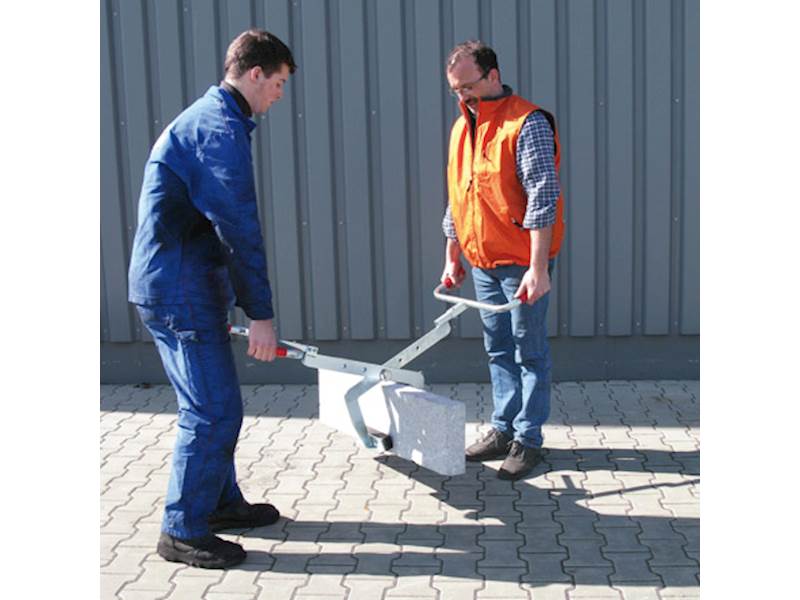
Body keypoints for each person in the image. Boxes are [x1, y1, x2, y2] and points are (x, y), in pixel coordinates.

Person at [127, 29, 296, 568]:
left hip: (181, 284)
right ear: (255, 74)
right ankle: (182, 530)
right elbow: (238, 227)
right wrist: (261, 314)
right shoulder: (217, 129)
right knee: (213, 410)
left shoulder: (213, 119)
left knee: (211, 404)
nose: (280, 95)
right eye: (278, 82)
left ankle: (219, 503)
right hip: (179, 293)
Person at [440, 41, 565, 481]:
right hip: (483, 262)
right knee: (497, 348)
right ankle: (502, 428)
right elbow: (459, 196)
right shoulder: (463, 127)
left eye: (468, 87)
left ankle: (528, 438)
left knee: (529, 350)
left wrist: (538, 268)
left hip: (520, 263)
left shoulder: (526, 123)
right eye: (455, 90)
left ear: (493, 75)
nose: (462, 97)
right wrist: (452, 256)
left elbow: (543, 198)